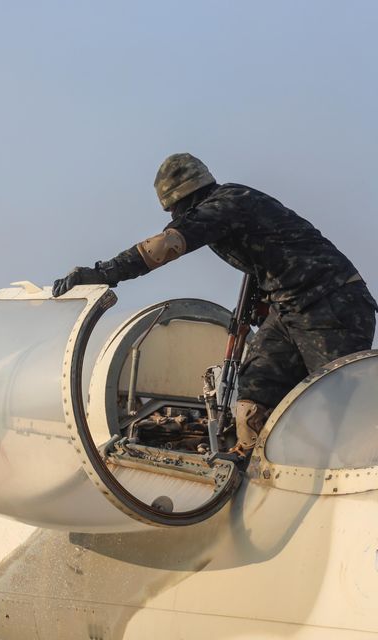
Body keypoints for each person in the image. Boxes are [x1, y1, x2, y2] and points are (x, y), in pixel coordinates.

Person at [52, 153, 377, 455]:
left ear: (182, 200)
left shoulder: (225, 205)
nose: (177, 218)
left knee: (342, 404)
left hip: (331, 304)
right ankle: (254, 462)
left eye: (174, 210)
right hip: (288, 308)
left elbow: (165, 246)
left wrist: (100, 274)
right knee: (256, 387)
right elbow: (264, 259)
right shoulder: (229, 206)